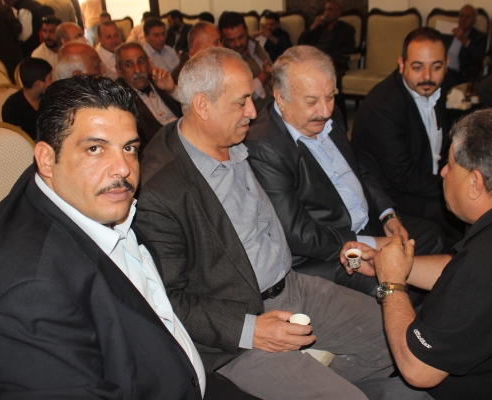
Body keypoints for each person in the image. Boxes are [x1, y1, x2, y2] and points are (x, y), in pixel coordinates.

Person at [134, 46, 395, 400]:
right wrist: (250, 330)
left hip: (292, 286)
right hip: (239, 327)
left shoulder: (229, 136)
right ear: (202, 105)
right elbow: (166, 300)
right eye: (241, 102)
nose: (253, 111)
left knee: (396, 335)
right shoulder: (159, 189)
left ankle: (320, 375)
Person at [0, 75, 205, 398]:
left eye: (129, 148)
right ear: (46, 159)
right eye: (95, 149)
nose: (122, 168)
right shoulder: (32, 292)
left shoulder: (78, 194)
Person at [342, 108, 492, 399]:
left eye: (450, 164)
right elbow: (461, 272)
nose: (443, 172)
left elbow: (418, 369)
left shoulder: (490, 261)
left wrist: (392, 283)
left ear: (475, 183)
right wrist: (395, 265)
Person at [245, 45, 444, 298]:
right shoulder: (265, 147)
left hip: (367, 226)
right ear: (281, 98)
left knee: (431, 239)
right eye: (312, 101)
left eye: (330, 96)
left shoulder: (327, 116)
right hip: (331, 253)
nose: (326, 110)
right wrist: (368, 244)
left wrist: (388, 215)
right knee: (386, 289)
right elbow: (298, 235)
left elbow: (358, 169)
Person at [351, 27, 465, 249]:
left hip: (422, 181)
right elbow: (403, 177)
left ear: (446, 63)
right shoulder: (382, 107)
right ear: (402, 64)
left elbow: (441, 149)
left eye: (436, 67)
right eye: (417, 67)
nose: (427, 77)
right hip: (390, 197)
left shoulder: (435, 90)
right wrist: (454, 184)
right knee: (459, 213)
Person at [298, 0, 355, 124]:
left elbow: (350, 49)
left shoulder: (346, 29)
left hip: (333, 62)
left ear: (338, 12)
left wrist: (331, 56)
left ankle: (339, 122)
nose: (326, 12)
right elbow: (301, 42)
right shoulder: (319, 27)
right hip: (314, 61)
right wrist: (313, 26)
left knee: (333, 87)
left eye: (330, 9)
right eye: (325, 9)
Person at [115, 42, 182, 148]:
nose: (137, 70)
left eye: (141, 61)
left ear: (148, 63)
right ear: (119, 71)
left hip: (186, 133)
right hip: (163, 148)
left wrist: (172, 90)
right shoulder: (119, 98)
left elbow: (192, 107)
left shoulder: (160, 79)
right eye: (129, 65)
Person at [219, 11, 273, 112]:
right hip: (255, 116)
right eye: (231, 40)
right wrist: (264, 76)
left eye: (241, 37)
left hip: (275, 105)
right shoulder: (224, 60)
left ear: (247, 30)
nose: (237, 44)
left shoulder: (254, 44)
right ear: (222, 37)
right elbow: (238, 99)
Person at [2, 57, 53, 140]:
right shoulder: (12, 106)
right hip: (26, 146)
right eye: (50, 78)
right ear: (38, 83)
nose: (53, 81)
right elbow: (16, 138)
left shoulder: (48, 98)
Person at [441, 4, 487, 93]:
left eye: (467, 17)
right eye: (461, 16)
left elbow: (479, 56)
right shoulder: (449, 31)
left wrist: (464, 40)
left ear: (474, 21)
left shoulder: (479, 37)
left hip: (456, 73)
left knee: (442, 80)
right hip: (440, 66)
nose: (463, 19)